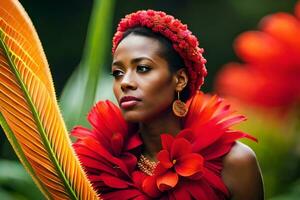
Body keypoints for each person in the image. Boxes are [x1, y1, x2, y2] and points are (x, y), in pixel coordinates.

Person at [72, 10, 264, 200]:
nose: (125, 82)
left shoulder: (235, 163)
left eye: (143, 68)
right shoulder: (95, 167)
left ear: (180, 80)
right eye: (118, 73)